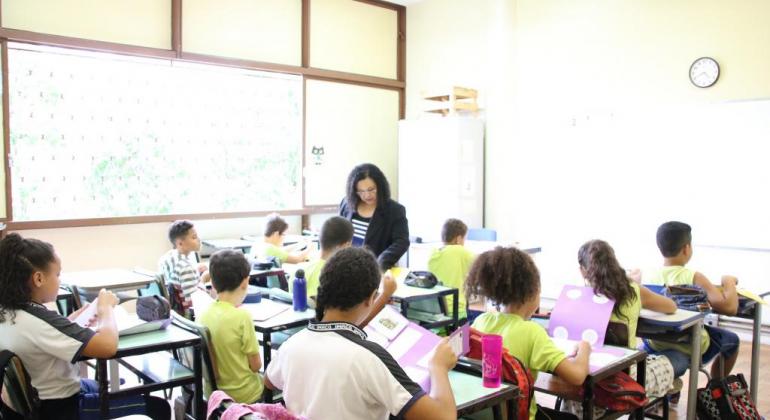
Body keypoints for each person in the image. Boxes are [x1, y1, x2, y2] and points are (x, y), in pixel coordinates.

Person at [264, 247, 456, 420]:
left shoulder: (293, 344)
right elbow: (443, 417)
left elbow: (270, 381)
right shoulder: (369, 358)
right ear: (370, 298)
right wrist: (438, 367)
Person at [0, 233, 170, 420]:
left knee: (107, 386)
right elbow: (107, 346)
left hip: (41, 400)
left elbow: (49, 333)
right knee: (159, 407)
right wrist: (106, 309)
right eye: (57, 274)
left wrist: (74, 320)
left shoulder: (11, 312)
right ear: (38, 278)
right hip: (62, 409)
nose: (60, 280)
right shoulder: (37, 321)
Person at [467, 247, 590, 420]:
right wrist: (585, 348)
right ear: (532, 291)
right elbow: (577, 376)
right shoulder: (532, 332)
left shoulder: (481, 321)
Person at [575, 239, 679, 408]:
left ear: (583, 271)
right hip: (624, 380)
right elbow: (671, 306)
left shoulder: (577, 297)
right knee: (678, 357)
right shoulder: (633, 290)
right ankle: (669, 388)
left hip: (584, 380)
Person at [643, 221, 740, 380]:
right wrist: (728, 281)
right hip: (691, 345)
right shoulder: (694, 277)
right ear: (687, 248)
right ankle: (715, 387)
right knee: (732, 340)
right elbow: (729, 308)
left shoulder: (647, 274)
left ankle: (673, 392)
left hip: (655, 342)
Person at [199, 250, 264, 403]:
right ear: (246, 282)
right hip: (244, 395)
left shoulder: (203, 315)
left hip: (214, 395)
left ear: (213, 284)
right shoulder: (242, 316)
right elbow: (256, 366)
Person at [339, 163, 409, 270]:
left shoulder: (395, 210)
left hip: (376, 269)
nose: (367, 195)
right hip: (347, 267)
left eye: (371, 189)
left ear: (380, 186)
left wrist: (381, 262)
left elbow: (401, 242)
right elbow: (339, 235)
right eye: (361, 191)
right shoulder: (346, 204)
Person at [427, 218, 476, 321]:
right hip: (456, 309)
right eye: (464, 239)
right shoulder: (459, 251)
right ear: (458, 239)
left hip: (436, 310)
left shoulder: (433, 254)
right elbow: (482, 264)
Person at [158, 220, 209, 308]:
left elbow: (177, 277)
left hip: (174, 311)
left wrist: (195, 269)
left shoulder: (165, 258)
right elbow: (194, 303)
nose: (199, 240)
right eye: (194, 237)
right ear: (180, 243)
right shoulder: (186, 267)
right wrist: (203, 279)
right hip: (188, 317)